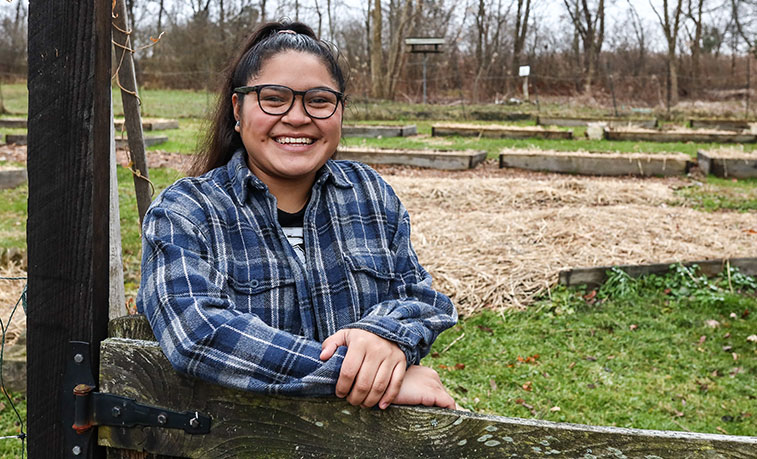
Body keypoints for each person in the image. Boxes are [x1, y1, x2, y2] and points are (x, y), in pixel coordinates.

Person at [137, 21, 457, 410]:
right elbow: (197, 332)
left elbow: (422, 297)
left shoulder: (370, 195)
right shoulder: (187, 211)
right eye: (274, 98)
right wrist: (360, 375)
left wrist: (381, 334)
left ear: (340, 111)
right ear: (238, 110)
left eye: (319, 100)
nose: (298, 117)